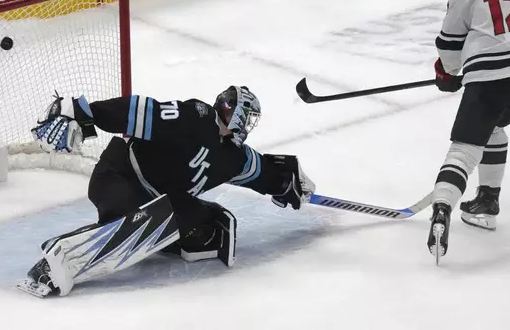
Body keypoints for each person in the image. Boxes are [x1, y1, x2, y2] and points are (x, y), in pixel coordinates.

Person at [17, 85, 315, 297]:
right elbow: (139, 111)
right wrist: (85, 113)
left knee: (208, 229)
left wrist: (286, 181)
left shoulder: (233, 156)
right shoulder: (194, 117)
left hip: (159, 199)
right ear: (233, 111)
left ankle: (159, 235)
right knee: (146, 220)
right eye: (246, 116)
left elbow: (259, 170)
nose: (248, 125)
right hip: (119, 175)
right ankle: (54, 265)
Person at [428, 0, 510, 262]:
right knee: (494, 127)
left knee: (464, 149)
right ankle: (486, 203)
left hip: (489, 79)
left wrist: (449, 72)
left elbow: (449, 44)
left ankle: (442, 206)